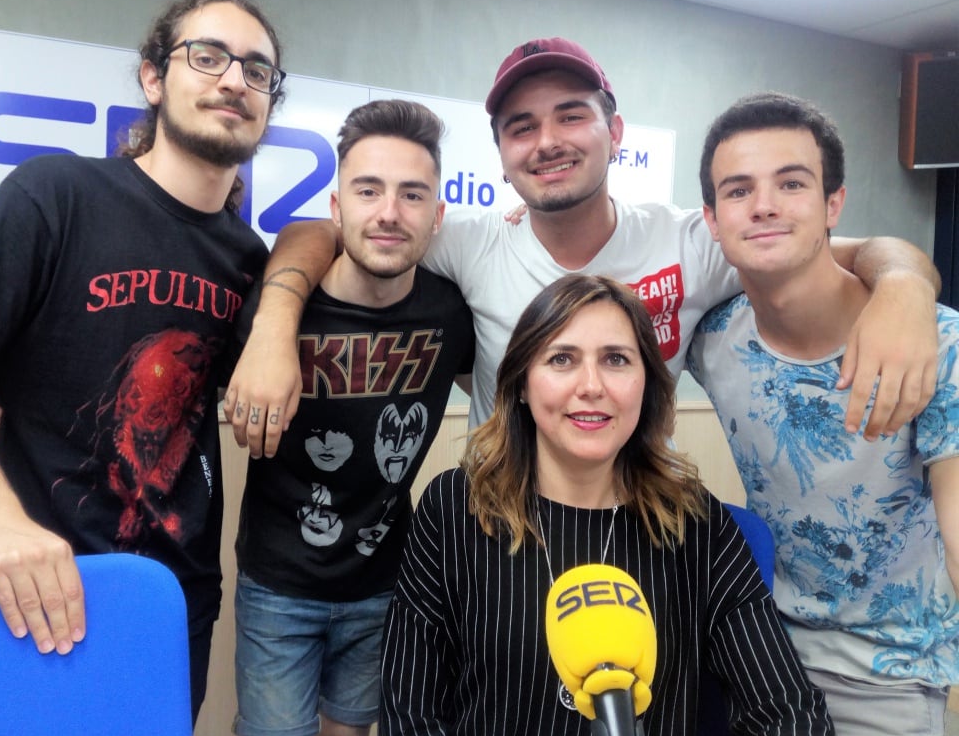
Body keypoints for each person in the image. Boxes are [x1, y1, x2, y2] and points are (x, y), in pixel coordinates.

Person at [224, 36, 940, 460]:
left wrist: (906, 290)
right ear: (502, 155)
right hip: (495, 539)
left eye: (572, 116)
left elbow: (847, 247)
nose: (549, 142)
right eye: (522, 126)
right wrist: (274, 326)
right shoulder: (469, 245)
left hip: (634, 536)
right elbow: (326, 231)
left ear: (615, 133)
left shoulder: (691, 240)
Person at [0, 0, 307, 720]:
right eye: (207, 55)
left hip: (165, 605)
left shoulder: (248, 257)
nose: (234, 79)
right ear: (154, 77)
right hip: (23, 589)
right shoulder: (55, 193)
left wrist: (276, 317)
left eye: (257, 69)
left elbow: (327, 238)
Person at [379, 273, 837, 736]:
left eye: (616, 360)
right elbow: (411, 715)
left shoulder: (695, 521)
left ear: (646, 384)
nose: (592, 386)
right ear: (521, 384)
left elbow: (786, 709)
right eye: (562, 359)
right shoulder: (454, 508)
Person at [687, 92, 959, 736]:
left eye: (792, 182)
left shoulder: (939, 345)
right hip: (760, 653)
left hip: (887, 673)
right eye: (739, 189)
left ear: (834, 204)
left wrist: (906, 283)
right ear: (712, 219)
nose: (765, 204)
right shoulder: (713, 339)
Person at [232, 99, 474, 736]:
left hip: (385, 583)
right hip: (278, 585)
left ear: (437, 215)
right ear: (336, 209)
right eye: (368, 190)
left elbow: (506, 394)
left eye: (412, 194)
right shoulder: (277, 307)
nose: (389, 212)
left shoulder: (452, 313)